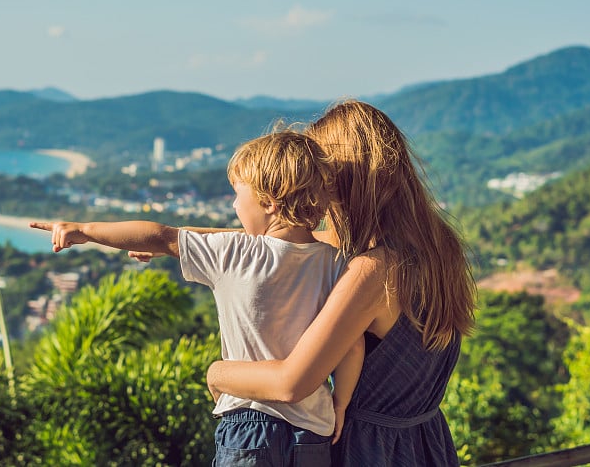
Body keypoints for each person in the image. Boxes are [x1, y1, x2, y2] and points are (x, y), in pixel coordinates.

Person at [30, 130, 364, 467]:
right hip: (312, 433)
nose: (234, 205)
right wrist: (339, 404)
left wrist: (85, 230)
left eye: (237, 194)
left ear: (268, 203)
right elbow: (352, 346)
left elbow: (160, 236)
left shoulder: (233, 252)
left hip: (248, 425)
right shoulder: (339, 264)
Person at [205, 100, 478, 466]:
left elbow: (291, 382)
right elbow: (279, 245)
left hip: (367, 451)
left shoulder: (371, 272)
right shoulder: (438, 246)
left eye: (319, 175)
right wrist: (176, 243)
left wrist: (218, 373)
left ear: (342, 181)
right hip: (425, 445)